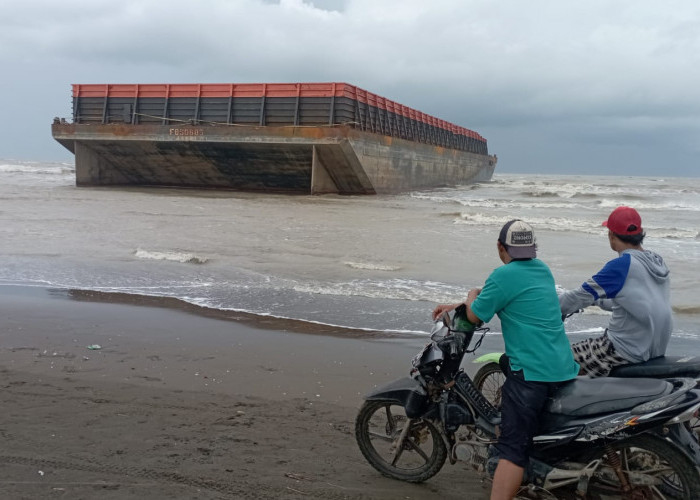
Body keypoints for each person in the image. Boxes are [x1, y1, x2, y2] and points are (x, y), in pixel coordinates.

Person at [432, 219, 579, 500]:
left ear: (501, 247)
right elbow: (509, 295)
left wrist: (470, 296)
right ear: (533, 248)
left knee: (511, 449)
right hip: (562, 367)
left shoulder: (502, 276)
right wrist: (462, 302)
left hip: (532, 375)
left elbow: (475, 315)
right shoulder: (543, 270)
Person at [559, 206, 672, 377]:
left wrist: (551, 305)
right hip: (656, 347)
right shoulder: (656, 261)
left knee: (560, 359)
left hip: (625, 347)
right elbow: (629, 302)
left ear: (611, 235)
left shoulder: (621, 265)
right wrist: (596, 300)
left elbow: (578, 296)